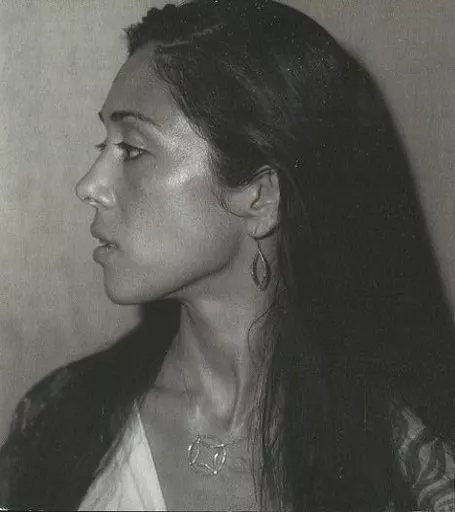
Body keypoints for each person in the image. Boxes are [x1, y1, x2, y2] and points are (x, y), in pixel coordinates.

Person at [0, 0, 454, 510]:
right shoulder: (56, 422)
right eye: (101, 145)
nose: (90, 185)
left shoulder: (405, 471)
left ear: (260, 197)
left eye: (132, 149)